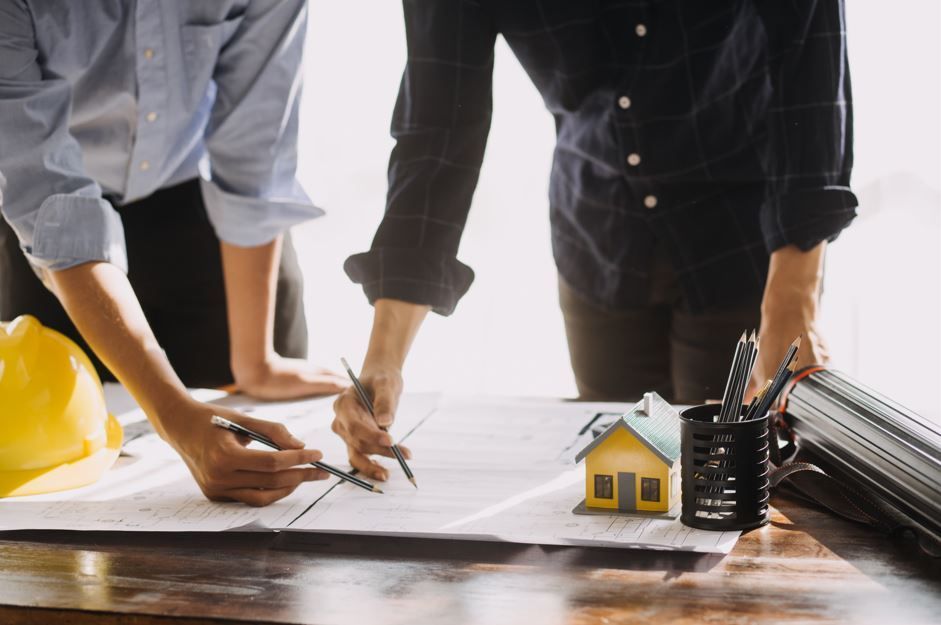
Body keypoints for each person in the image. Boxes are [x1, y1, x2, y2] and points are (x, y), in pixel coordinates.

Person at [332, 0, 857, 481]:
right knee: (624, 483)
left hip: (746, 240)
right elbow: (437, 133)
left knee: (732, 485)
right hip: (597, 238)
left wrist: (794, 304)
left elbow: (810, 68)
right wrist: (384, 358)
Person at [0, 0, 347, 506]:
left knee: (263, 480)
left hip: (212, 223)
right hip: (52, 247)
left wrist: (257, 362)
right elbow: (46, 197)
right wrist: (174, 414)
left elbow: (255, 155)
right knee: (65, 483)